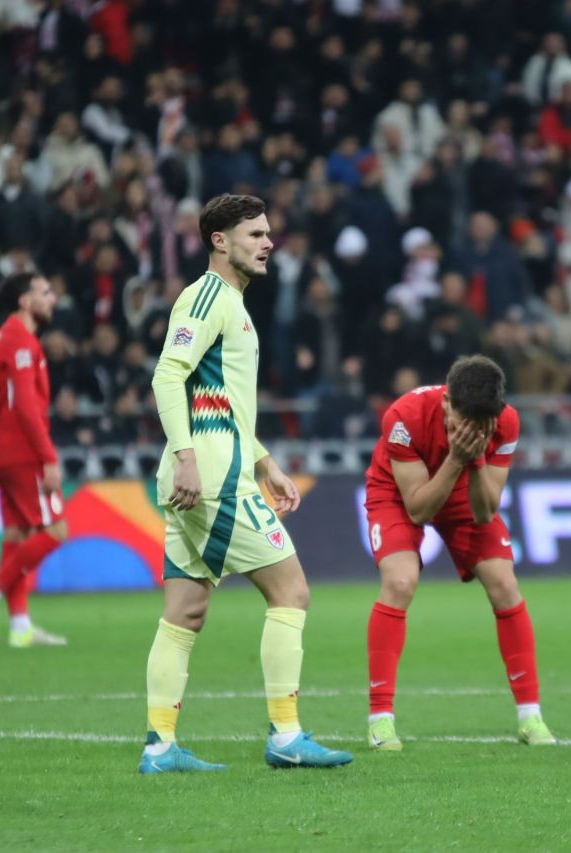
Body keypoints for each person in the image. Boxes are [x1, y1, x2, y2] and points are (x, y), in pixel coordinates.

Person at [140, 193, 352, 773]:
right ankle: (286, 735)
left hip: (213, 471)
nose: (267, 243)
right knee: (292, 592)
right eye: (255, 234)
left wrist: (264, 462)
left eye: (267, 234)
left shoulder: (229, 302)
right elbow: (167, 375)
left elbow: (218, 403)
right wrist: (187, 458)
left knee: (184, 611)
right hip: (211, 480)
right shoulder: (208, 297)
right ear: (220, 240)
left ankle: (160, 748)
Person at [363, 355, 555, 750]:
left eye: (478, 427)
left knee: (504, 584)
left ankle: (530, 717)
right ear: (447, 401)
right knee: (400, 582)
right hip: (400, 493)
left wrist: (477, 456)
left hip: (464, 489)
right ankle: (380, 721)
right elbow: (418, 508)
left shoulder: (506, 423)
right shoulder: (403, 416)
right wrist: (455, 458)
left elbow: (485, 512)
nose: (465, 430)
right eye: (459, 421)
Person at [0, 273, 68, 647]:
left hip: (2, 449)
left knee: (17, 534)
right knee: (55, 531)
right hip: (23, 450)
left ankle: (20, 626)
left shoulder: (4, 337)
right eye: (44, 292)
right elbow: (25, 405)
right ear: (24, 300)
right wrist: (48, 457)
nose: (52, 298)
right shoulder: (19, 341)